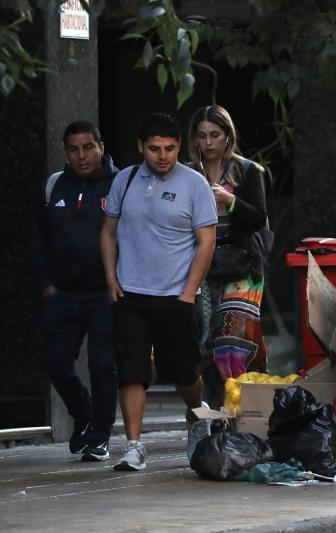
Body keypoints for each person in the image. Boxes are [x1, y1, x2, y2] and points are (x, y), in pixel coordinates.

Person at [100, 113, 217, 471]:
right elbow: (108, 232)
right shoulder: (126, 179)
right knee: (132, 371)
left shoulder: (194, 184)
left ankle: (198, 417)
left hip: (177, 295)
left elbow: (206, 240)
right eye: (154, 149)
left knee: (182, 371)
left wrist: (189, 291)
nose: (162, 155)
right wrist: (111, 279)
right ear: (141, 148)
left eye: (169, 148)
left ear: (179, 147)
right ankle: (134, 445)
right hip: (130, 294)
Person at [30, 121, 119, 462]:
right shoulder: (54, 186)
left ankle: (99, 434)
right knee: (55, 364)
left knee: (102, 365)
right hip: (63, 294)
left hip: (105, 293)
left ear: (100, 146)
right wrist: (47, 285)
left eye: (88, 148)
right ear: (65, 151)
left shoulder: (120, 184)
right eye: (73, 149)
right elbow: (39, 239)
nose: (81, 156)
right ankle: (82, 413)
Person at [187, 105, 270, 409]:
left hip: (241, 265)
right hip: (202, 265)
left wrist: (230, 200)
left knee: (232, 342)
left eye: (214, 135)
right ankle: (216, 411)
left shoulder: (246, 170)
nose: (207, 143)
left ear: (227, 137)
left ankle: (248, 408)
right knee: (205, 342)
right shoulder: (188, 173)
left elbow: (259, 218)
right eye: (201, 136)